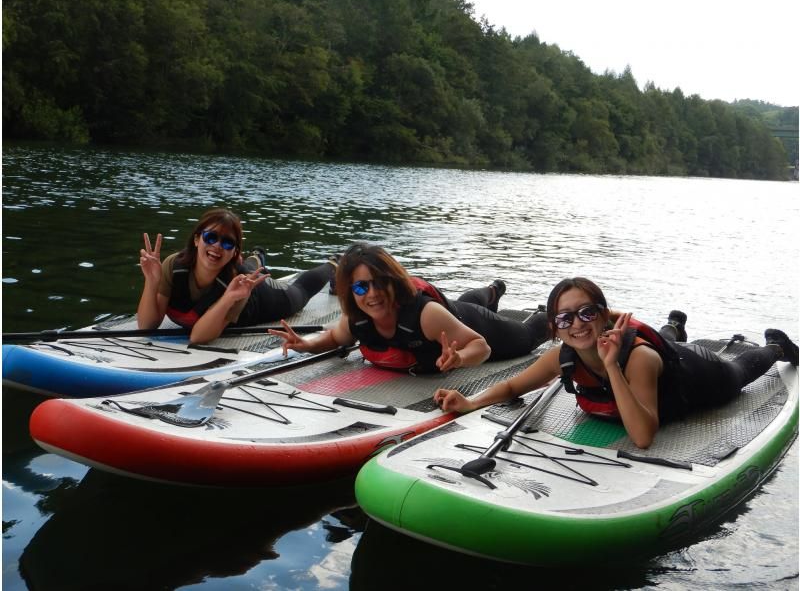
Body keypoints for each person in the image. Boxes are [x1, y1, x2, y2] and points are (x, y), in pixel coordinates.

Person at [434, 277, 799, 448]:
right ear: (555, 329)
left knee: (738, 372)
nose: (576, 324)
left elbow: (641, 436)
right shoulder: (562, 356)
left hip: (697, 374)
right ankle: (673, 328)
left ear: (602, 315)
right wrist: (469, 402)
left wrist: (611, 366)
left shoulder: (637, 359)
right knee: (651, 340)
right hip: (641, 353)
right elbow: (514, 386)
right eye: (564, 319)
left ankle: (777, 348)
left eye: (586, 312)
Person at [270, 242, 550, 374]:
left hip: (476, 325)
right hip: (454, 312)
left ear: (393, 282)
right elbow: (335, 338)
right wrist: (307, 344)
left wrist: (460, 359)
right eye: (360, 288)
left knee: (528, 336)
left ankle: (546, 314)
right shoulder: (357, 316)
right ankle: (491, 291)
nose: (372, 295)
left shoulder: (426, 315)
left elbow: (482, 346)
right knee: (464, 303)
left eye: (379, 284)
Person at [137, 208, 336, 344]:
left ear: (234, 252)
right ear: (197, 239)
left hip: (254, 296)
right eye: (211, 237)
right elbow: (147, 325)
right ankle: (257, 257)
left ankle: (334, 264)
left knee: (297, 293)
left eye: (227, 243)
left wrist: (229, 298)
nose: (216, 246)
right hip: (235, 271)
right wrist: (152, 282)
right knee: (234, 265)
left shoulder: (238, 284)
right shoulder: (173, 265)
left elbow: (197, 337)